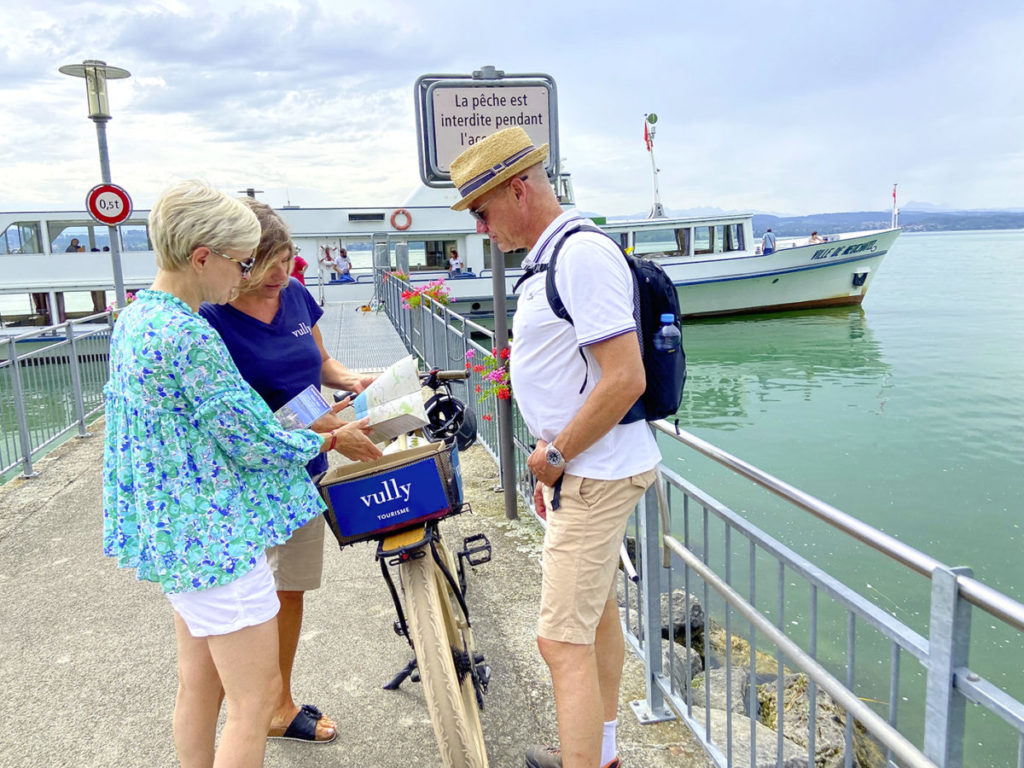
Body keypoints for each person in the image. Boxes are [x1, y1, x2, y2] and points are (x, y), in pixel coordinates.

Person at [102, 179, 374, 767]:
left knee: (199, 686)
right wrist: (330, 436)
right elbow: (253, 442)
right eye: (242, 262)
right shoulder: (190, 334)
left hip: (177, 532)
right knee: (254, 703)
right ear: (203, 258)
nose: (245, 274)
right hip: (216, 537)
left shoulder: (137, 318)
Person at [449, 127, 660, 768]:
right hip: (589, 471)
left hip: (594, 472)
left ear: (519, 188)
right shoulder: (555, 256)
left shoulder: (579, 256)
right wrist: (556, 463)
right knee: (593, 621)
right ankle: (599, 752)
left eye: (483, 210)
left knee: (559, 640)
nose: (481, 227)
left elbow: (624, 378)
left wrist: (557, 456)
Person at [201, 199, 382, 744]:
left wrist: (352, 381)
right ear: (237, 260)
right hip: (249, 478)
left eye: (287, 259)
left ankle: (276, 701)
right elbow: (242, 415)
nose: (281, 274)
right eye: (267, 264)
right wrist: (330, 429)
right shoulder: (211, 318)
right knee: (243, 599)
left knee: (290, 589)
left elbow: (319, 363)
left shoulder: (297, 294)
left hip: (305, 470)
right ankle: (257, 705)